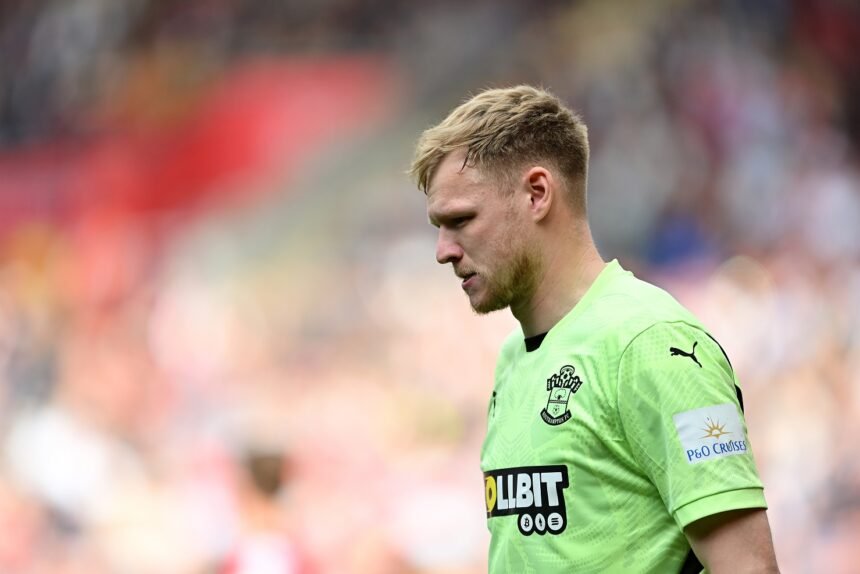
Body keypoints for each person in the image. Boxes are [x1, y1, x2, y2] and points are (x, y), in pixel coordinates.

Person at [409, 85, 779, 573]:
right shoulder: (514, 359)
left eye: (461, 220)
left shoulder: (651, 342)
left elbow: (748, 567)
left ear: (537, 194)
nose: (443, 250)